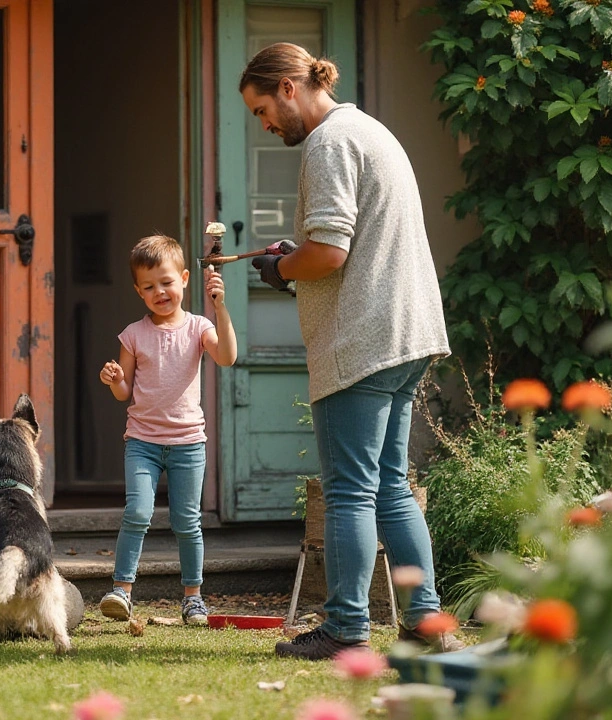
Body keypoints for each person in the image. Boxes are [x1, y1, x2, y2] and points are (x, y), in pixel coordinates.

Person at [237, 42, 465, 659]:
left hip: (363, 338)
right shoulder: (369, 129)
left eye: (262, 110)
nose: (264, 125)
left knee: (349, 490)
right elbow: (341, 242)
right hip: (408, 331)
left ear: (288, 87)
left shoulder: (328, 142)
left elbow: (330, 254)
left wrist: (282, 269)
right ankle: (425, 623)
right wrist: (293, 256)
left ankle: (345, 628)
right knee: (391, 484)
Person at [97, 234, 237, 625]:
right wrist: (113, 379)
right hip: (142, 442)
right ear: (138, 291)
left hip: (188, 443)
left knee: (186, 521)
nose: (159, 292)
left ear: (185, 279)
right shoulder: (133, 334)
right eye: (149, 286)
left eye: (166, 282)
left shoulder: (198, 327)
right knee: (137, 512)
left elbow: (227, 357)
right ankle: (121, 590)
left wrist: (220, 307)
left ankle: (193, 596)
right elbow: (124, 391)